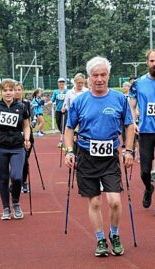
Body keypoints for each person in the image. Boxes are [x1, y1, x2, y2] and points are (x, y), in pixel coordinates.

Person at [64, 56, 135, 257]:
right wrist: (69, 151)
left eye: (103, 75)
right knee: (94, 202)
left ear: (109, 76)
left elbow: (129, 125)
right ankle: (100, 239)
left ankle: (114, 234)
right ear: (88, 78)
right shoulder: (79, 101)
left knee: (114, 201)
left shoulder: (119, 99)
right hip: (86, 155)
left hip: (110, 156)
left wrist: (128, 150)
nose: (99, 79)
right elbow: (69, 128)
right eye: (95, 75)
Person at [129, 49, 155, 217]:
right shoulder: (138, 83)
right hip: (145, 132)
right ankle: (148, 188)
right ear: (147, 63)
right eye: (151, 61)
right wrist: (133, 122)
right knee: (145, 171)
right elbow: (131, 105)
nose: (154, 64)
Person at [0, 79, 31, 220]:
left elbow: (26, 126)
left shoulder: (22, 107)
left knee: (17, 177)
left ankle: (16, 203)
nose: (8, 93)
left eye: (11, 90)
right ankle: (6, 207)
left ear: (14, 91)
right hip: (0, 147)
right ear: (1, 92)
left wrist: (27, 138)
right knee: (4, 179)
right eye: (5, 90)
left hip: (17, 147)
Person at [15, 82, 34, 193]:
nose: (17, 92)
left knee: (24, 160)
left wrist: (29, 126)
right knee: (15, 160)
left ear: (22, 91)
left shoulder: (28, 104)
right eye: (15, 90)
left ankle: (24, 182)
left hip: (27, 137)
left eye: (19, 90)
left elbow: (34, 118)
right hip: (14, 136)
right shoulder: (10, 104)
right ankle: (15, 181)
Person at [47, 77, 67, 147]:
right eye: (60, 82)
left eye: (62, 82)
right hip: (58, 110)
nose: (61, 83)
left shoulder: (67, 91)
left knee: (63, 125)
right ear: (58, 83)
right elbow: (52, 100)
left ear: (64, 83)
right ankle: (64, 136)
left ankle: (61, 141)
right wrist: (46, 103)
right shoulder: (56, 92)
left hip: (65, 111)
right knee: (59, 124)